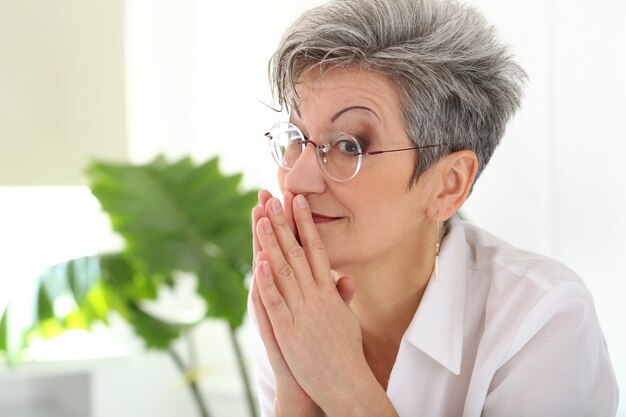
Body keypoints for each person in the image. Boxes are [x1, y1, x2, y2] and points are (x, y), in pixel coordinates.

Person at [248, 0, 619, 415]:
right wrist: (295, 392)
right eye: (297, 136)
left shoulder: (542, 315)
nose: (296, 180)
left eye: (349, 145)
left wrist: (341, 382)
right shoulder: (298, 308)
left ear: (449, 185)